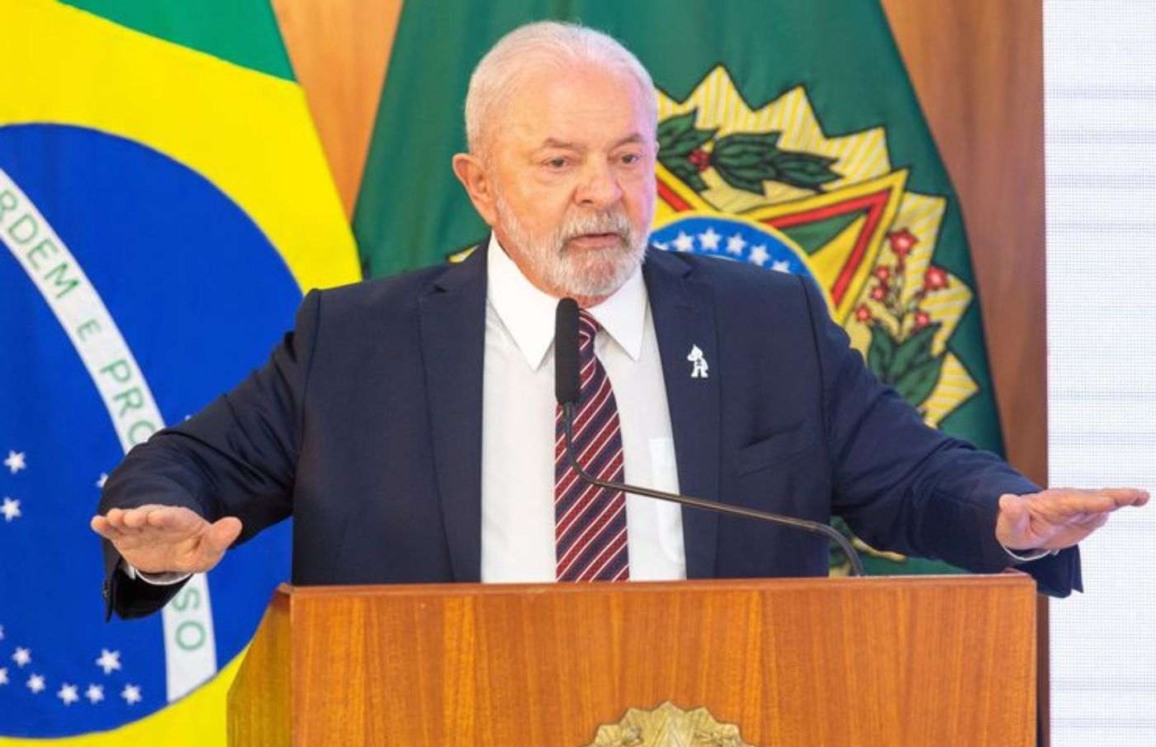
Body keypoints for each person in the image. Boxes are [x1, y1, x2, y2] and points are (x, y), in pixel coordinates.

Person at [92, 21, 1147, 619]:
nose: (602, 192)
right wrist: (157, 538)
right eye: (558, 163)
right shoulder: (356, 343)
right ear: (480, 184)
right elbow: (184, 470)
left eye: (629, 158)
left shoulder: (763, 325)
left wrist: (1007, 515)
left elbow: (909, 473)